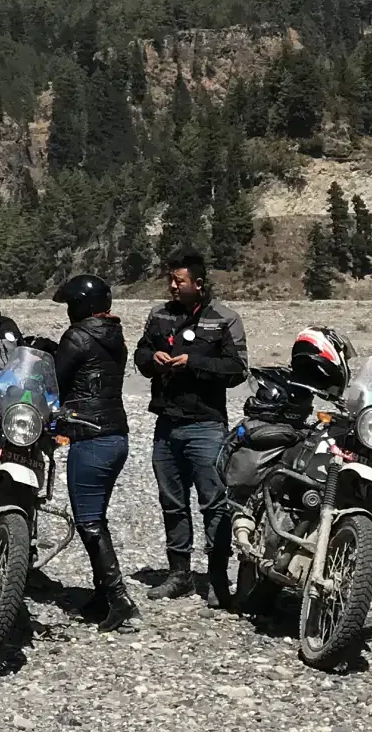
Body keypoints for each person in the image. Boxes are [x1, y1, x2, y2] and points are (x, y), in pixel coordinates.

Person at [133, 252, 247, 605]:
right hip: (166, 423)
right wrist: (152, 360)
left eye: (179, 281)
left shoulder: (224, 319)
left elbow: (237, 368)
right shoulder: (159, 315)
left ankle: (216, 579)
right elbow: (140, 354)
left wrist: (193, 362)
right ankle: (178, 574)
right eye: (171, 279)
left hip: (207, 425)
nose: (172, 286)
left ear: (198, 284)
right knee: (172, 502)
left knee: (214, 504)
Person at [51, 274, 138, 631]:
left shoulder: (78, 335)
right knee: (97, 518)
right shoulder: (114, 336)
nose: (69, 311)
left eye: (72, 305)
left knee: (88, 521)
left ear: (83, 306)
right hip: (116, 435)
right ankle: (103, 594)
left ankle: (119, 600)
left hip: (89, 435)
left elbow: (54, 378)